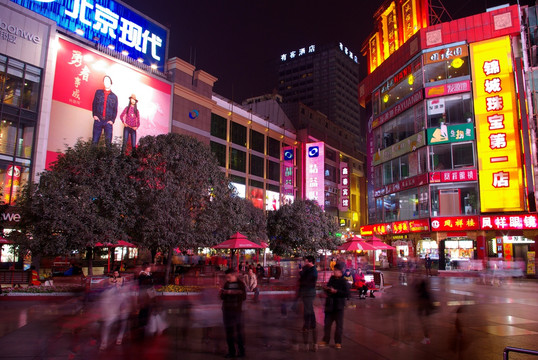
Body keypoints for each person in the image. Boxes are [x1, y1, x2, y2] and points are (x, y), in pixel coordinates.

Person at [319, 264, 350, 349]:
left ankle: (338, 342)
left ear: (340, 272)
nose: (334, 271)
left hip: (338, 306)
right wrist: (326, 288)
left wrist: (336, 291)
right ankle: (325, 340)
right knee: (327, 324)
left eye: (336, 270)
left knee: (339, 325)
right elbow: (329, 288)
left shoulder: (343, 281)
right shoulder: (332, 279)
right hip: (330, 305)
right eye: (334, 270)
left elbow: (347, 294)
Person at [220, 268, 247, 358]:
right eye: (226, 277)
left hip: (237, 311)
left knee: (239, 333)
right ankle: (231, 352)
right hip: (227, 311)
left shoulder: (240, 284)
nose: (227, 279)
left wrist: (231, 292)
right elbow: (222, 297)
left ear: (234, 275)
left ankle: (241, 352)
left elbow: (243, 297)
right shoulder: (227, 284)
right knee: (229, 333)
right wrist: (222, 293)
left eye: (229, 277)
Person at [298, 255, 318, 351]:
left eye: (306, 261)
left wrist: (301, 274)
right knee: (309, 309)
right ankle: (310, 325)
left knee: (308, 309)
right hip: (306, 292)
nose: (305, 263)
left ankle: (309, 325)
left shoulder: (313, 271)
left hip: (309, 292)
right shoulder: (308, 269)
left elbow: (307, 281)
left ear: (310, 262)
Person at [92, 75, 118, 146]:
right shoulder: (98, 92)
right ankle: (92, 157)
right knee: (94, 142)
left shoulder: (114, 97)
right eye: (105, 81)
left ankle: (107, 157)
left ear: (111, 83)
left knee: (108, 144)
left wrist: (112, 121)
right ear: (103, 83)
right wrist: (94, 115)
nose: (106, 82)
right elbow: (94, 104)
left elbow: (115, 110)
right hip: (98, 120)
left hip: (108, 122)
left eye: (108, 81)